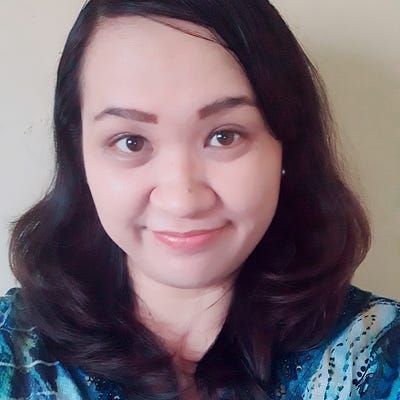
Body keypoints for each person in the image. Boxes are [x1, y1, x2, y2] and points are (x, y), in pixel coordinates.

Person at [0, 0, 399, 399]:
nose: (182, 200)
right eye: (131, 141)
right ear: (80, 156)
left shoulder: (379, 354)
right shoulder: (12, 354)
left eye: (225, 136)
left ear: (286, 146)